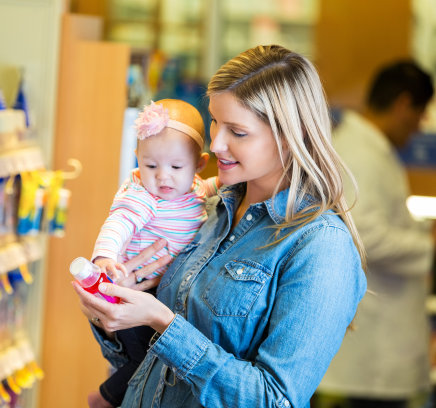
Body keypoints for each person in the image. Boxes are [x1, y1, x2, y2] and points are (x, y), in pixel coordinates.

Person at [72, 44, 368, 408]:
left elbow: (274, 400)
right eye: (214, 121)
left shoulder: (320, 246)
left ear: (291, 137)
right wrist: (114, 314)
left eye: (237, 132)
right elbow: (146, 366)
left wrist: (164, 322)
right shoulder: (205, 207)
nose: (215, 144)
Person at [316, 61, 435, 408]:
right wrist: (428, 246)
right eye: (421, 111)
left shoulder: (368, 148)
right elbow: (365, 234)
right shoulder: (360, 153)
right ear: (402, 104)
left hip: (377, 343)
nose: (421, 124)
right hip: (371, 349)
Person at [88, 99, 219, 408]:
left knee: (156, 357)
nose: (163, 177)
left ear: (199, 164)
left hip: (161, 295)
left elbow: (214, 187)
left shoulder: (194, 188)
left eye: (176, 167)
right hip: (136, 296)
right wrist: (104, 257)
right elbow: (118, 223)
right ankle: (104, 398)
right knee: (149, 359)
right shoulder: (143, 196)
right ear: (137, 159)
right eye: (150, 165)